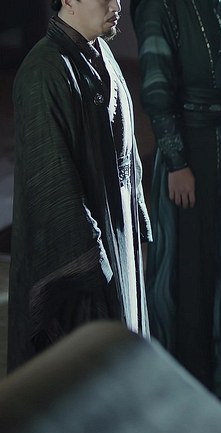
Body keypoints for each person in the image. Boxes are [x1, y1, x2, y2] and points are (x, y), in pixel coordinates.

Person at [132, 0, 221, 410]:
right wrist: (176, 162)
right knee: (196, 266)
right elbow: (156, 84)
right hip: (195, 146)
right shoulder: (159, 5)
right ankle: (197, 381)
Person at [7, 0, 151, 371]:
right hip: (84, 264)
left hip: (118, 240)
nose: (116, 5)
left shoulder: (101, 52)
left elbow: (128, 156)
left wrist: (135, 226)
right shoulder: (43, 72)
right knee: (83, 375)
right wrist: (93, 265)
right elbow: (51, 183)